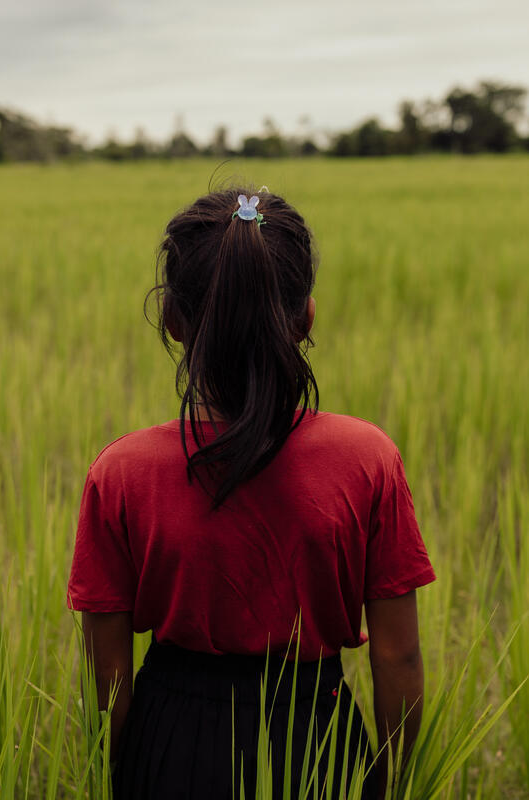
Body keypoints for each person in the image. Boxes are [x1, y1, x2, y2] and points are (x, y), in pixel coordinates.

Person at [67, 187, 435, 799]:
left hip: (172, 745)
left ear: (174, 322)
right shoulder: (367, 458)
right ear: (305, 316)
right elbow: (398, 658)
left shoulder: (123, 471)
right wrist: (395, 785)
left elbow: (108, 680)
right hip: (316, 743)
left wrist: (120, 775)